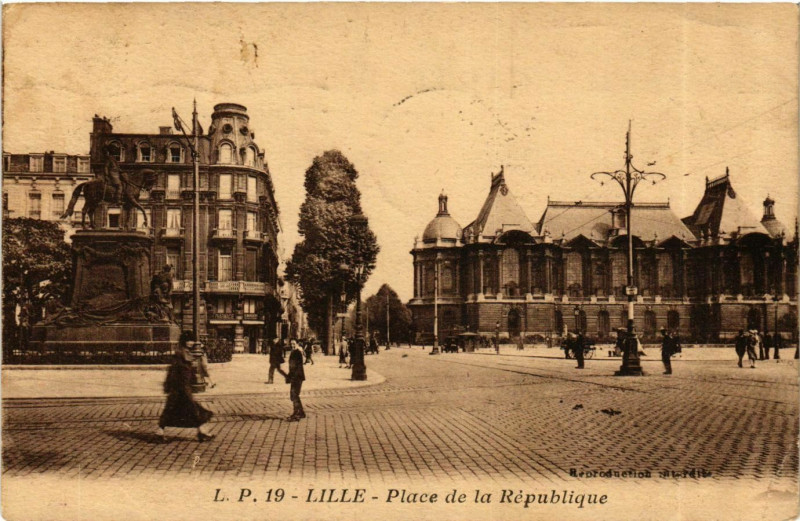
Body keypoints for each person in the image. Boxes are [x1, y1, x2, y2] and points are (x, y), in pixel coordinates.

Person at [156, 332, 215, 442]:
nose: (191, 342)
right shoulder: (180, 353)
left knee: (175, 410)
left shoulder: (186, 353)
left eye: (192, 340)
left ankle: (160, 432)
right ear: (184, 341)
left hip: (183, 386)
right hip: (179, 388)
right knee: (193, 410)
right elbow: (174, 371)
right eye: (188, 340)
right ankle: (202, 432)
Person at [285, 339, 306, 422]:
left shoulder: (297, 352)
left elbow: (296, 366)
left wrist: (292, 377)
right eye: (291, 344)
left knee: (294, 395)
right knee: (294, 394)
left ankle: (296, 413)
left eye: (294, 344)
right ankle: (301, 412)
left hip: (297, 377)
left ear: (297, 344)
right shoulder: (294, 352)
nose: (292, 345)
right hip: (295, 376)